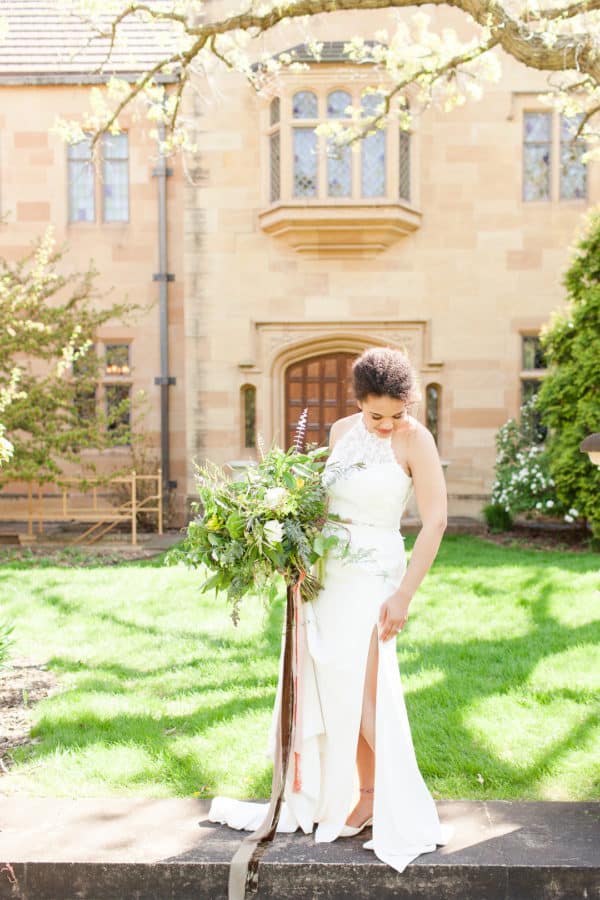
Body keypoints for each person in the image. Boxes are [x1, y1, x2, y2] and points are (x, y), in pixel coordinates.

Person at [209, 346, 450, 873]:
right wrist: (289, 545)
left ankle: (404, 801)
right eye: (376, 415)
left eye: (396, 414)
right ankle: (365, 796)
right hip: (328, 573)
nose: (386, 425)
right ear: (359, 401)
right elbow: (319, 505)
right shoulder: (341, 431)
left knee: (365, 694)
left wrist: (404, 595)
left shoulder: (417, 440)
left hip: (375, 573)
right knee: (334, 687)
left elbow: (435, 522)